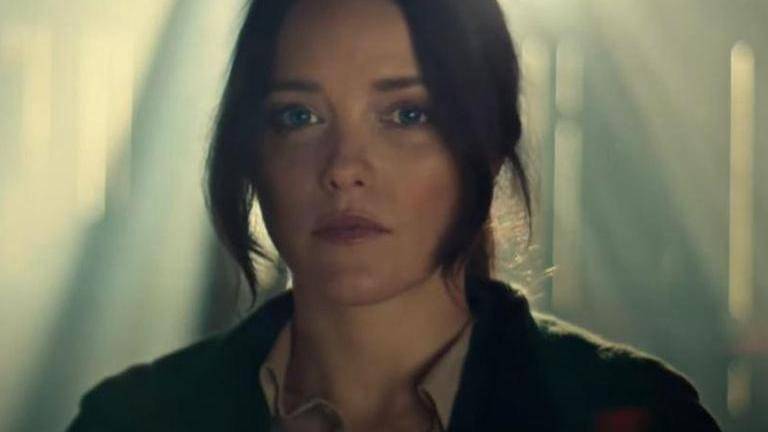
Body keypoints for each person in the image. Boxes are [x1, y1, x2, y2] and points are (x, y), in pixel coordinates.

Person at [67, 0, 722, 431]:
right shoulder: (133, 422)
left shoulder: (625, 414)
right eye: (299, 116)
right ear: (251, 152)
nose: (344, 166)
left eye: (407, 114)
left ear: (489, 143)